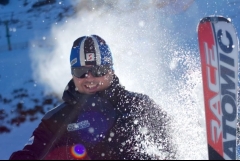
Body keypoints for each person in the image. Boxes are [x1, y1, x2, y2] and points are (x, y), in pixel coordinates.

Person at [9, 35, 176, 160]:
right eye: (81, 72)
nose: (89, 78)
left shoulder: (138, 104)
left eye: (98, 71)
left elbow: (172, 143)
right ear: (73, 75)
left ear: (111, 70)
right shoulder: (56, 119)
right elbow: (29, 153)